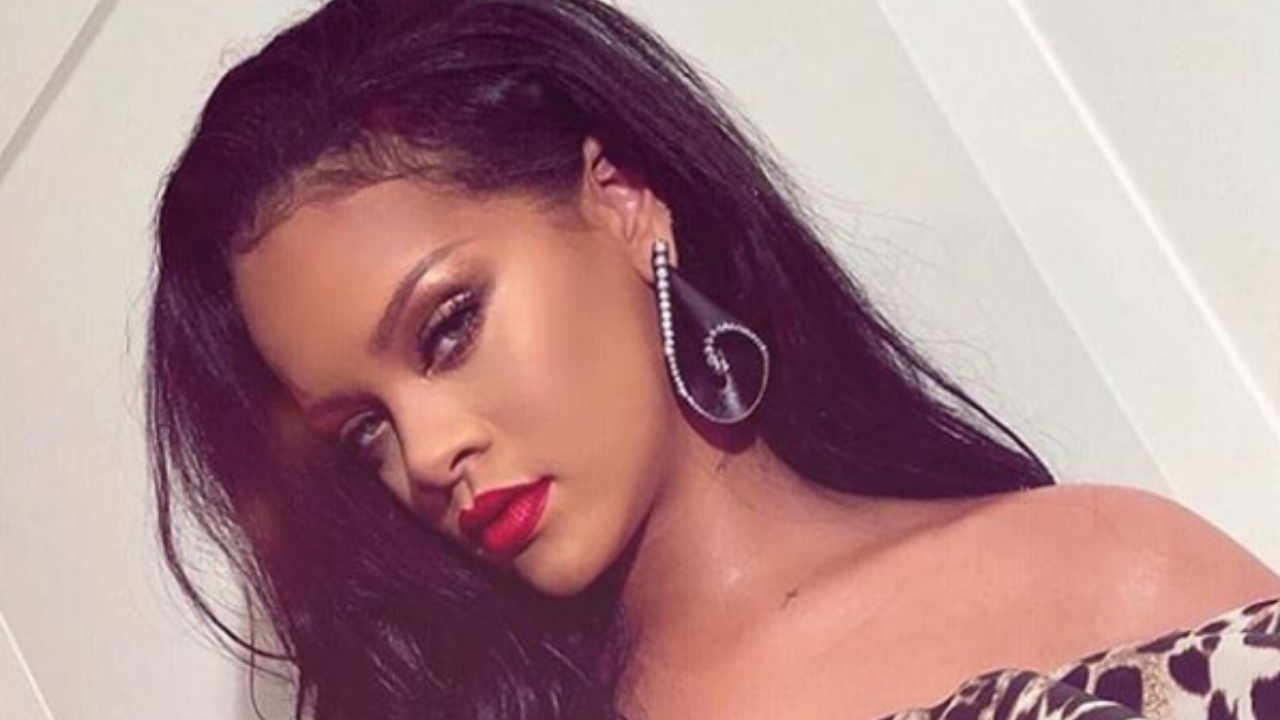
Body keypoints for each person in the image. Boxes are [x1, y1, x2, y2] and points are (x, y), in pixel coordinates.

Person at [146, 0, 1280, 719]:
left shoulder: (1102, 580)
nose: (430, 452)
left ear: (621, 201)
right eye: (364, 431)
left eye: (449, 327)